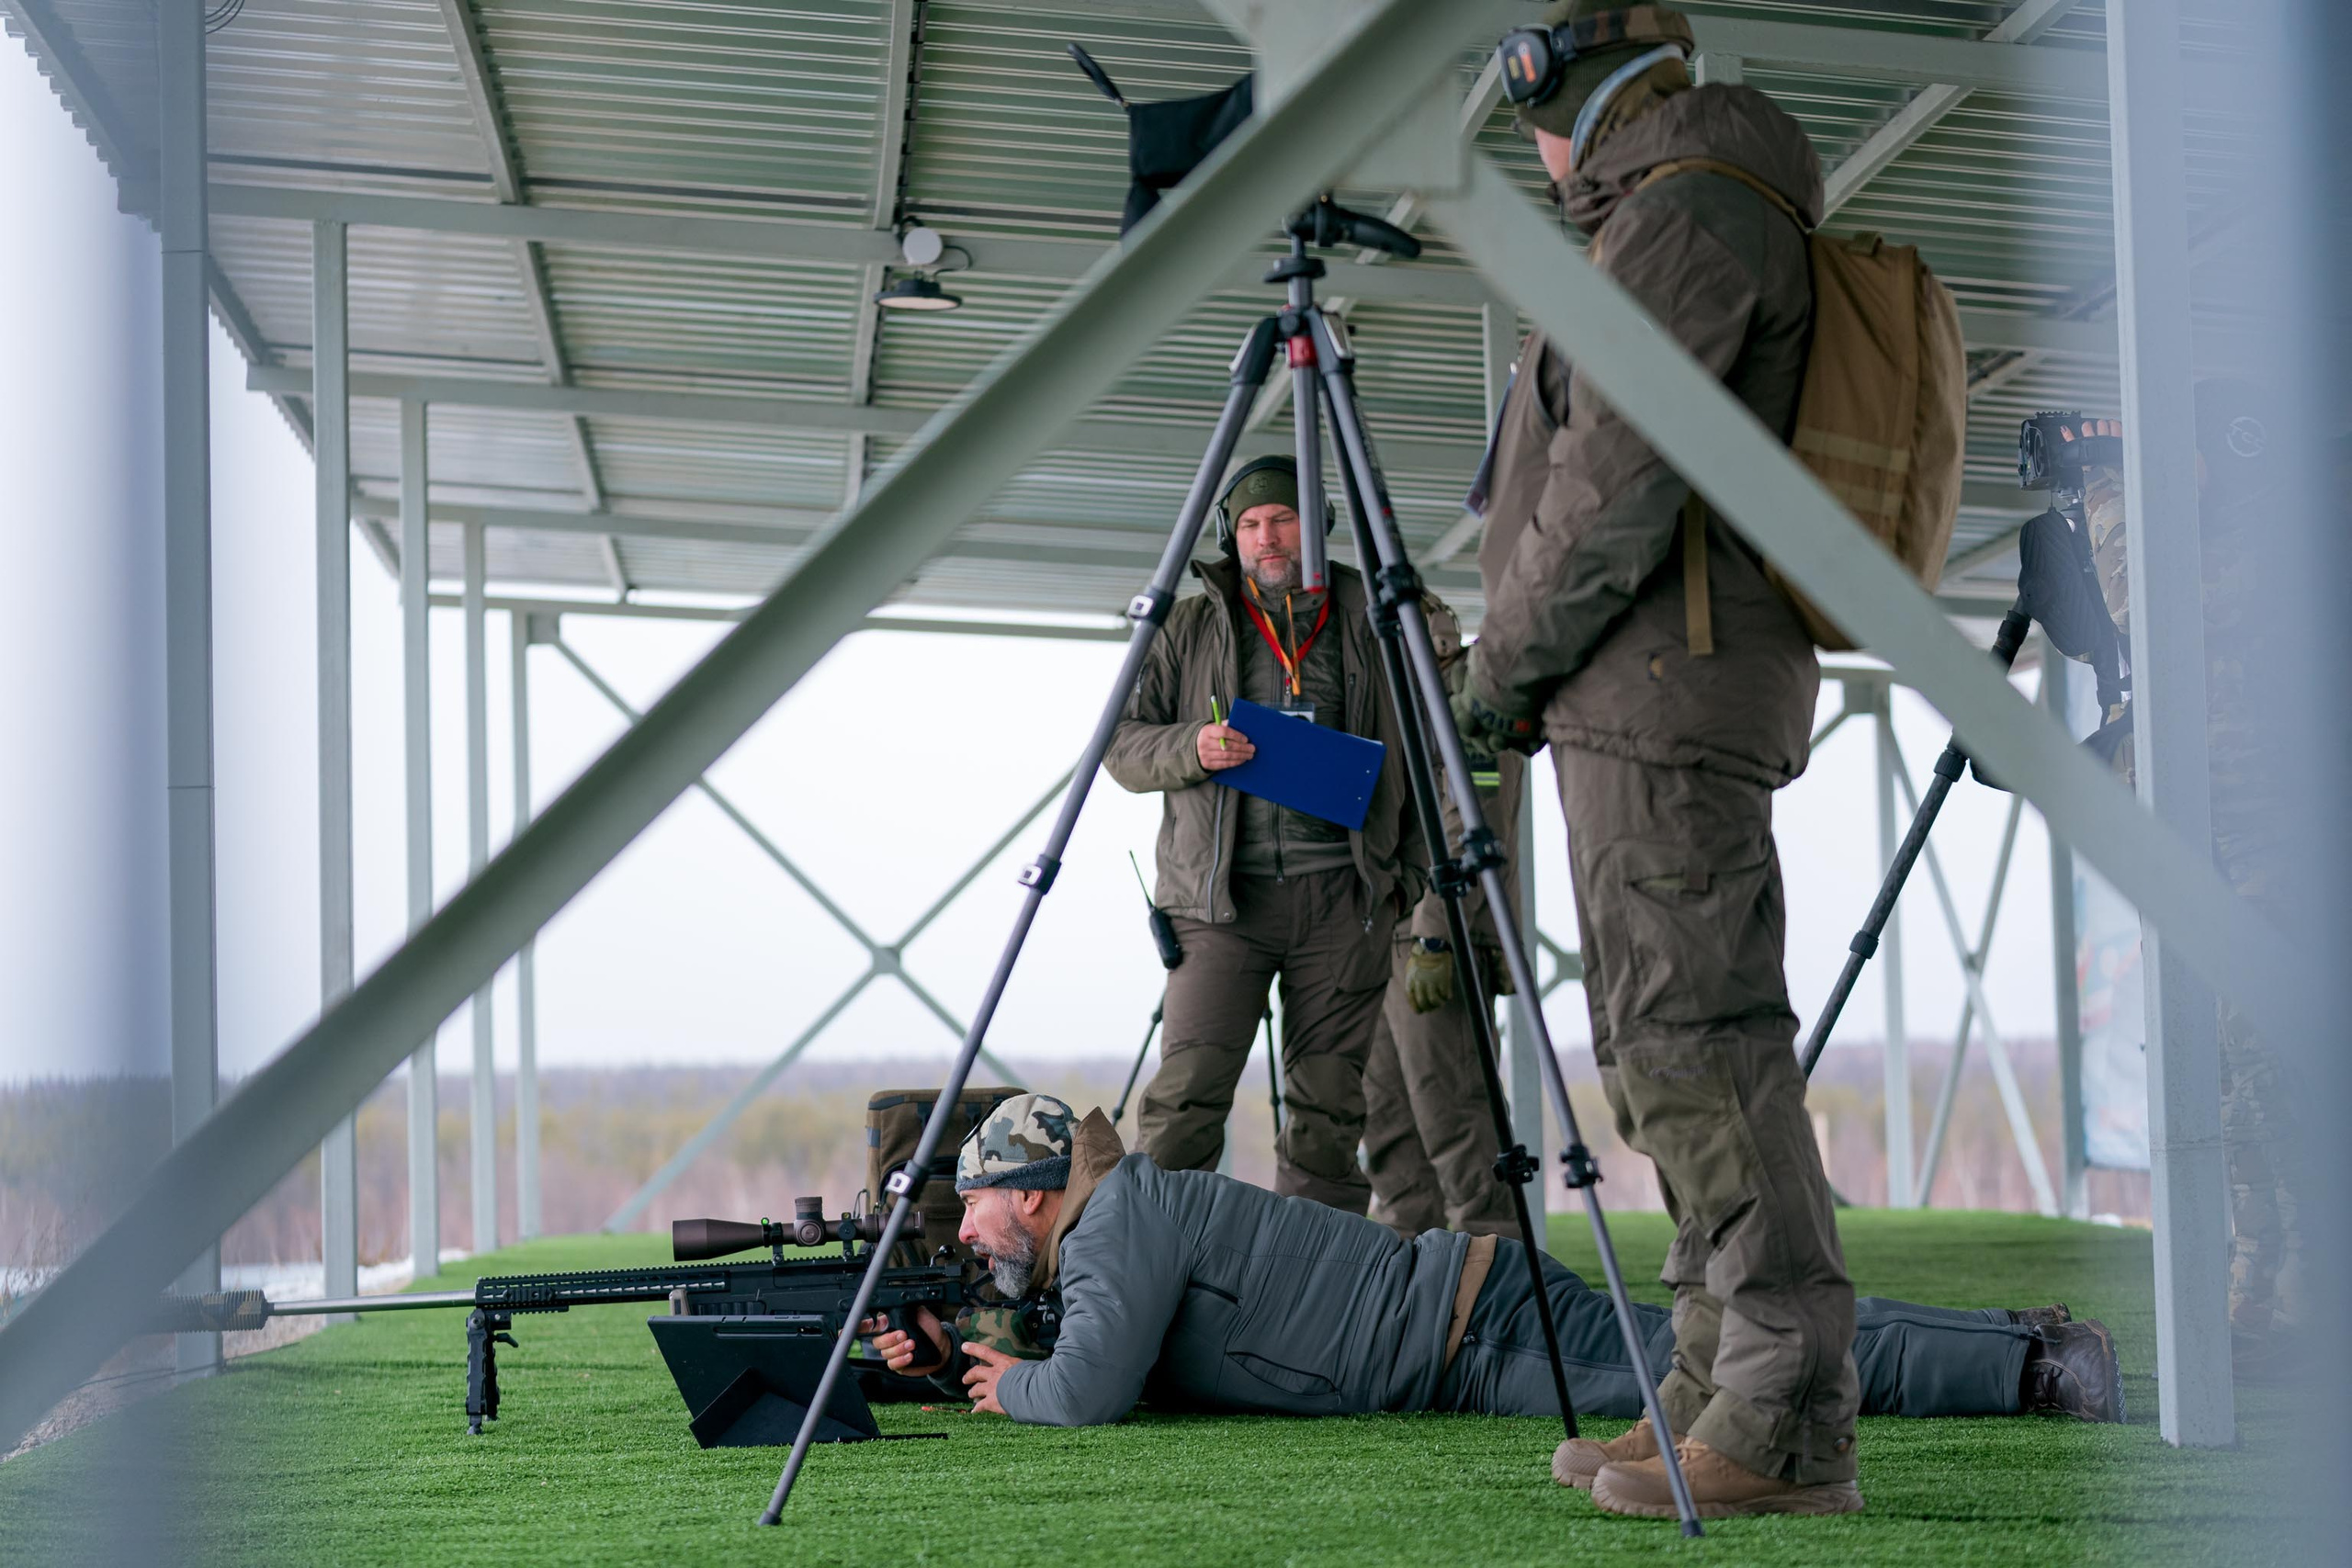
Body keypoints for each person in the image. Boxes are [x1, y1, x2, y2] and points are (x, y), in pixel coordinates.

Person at [1447, 0, 1860, 1518]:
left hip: (1661, 692)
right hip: (1636, 691)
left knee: (1701, 1046)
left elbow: (1613, 479)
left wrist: (1493, 677)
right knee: (1658, 1056)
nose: (1527, 144)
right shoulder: (1668, 209)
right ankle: (1709, 1383)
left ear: (1566, 76)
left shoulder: (1686, 211)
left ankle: (1786, 1422)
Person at [866, 1094, 2122, 1521]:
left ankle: (2037, 1359)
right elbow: (1089, 1342)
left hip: (1481, 1330)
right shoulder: (1104, 1233)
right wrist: (954, 1358)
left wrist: (1008, 1382)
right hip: (1469, 1325)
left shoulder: (1122, 1216)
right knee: (1723, 1353)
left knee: (1754, 1363)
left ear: (1035, 1195)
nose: (965, 1231)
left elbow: (1085, 1389)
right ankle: (2026, 1346)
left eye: (974, 1206)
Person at [1106, 456, 1427, 1213]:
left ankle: (1311, 1291)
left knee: (1328, 1116)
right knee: (1185, 1102)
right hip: (1221, 910)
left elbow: (1425, 757)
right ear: (1230, 536)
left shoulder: (1373, 621)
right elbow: (1119, 745)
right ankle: (1155, 1269)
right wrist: (1192, 747)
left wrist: (1400, 882)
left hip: (1343, 906)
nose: (1266, 536)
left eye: (1282, 518)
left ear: (1315, 526)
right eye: (1250, 524)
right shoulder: (1186, 624)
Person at [2070, 386, 2307, 1377]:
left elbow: (2144, 601)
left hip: (2262, 859)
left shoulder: (2249, 557)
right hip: (2214, 854)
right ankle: (2266, 1294)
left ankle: (2291, 1296)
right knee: (2229, 1076)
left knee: (2260, 1067)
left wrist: (2111, 491)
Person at [1363, 629, 1528, 1240]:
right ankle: (1412, 1296)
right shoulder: (1387, 704)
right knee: (1388, 1132)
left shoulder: (1468, 705)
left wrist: (1436, 934)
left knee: (1459, 1125)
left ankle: (1495, 1297)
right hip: (1375, 936)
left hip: (1434, 942)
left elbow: (1471, 827)